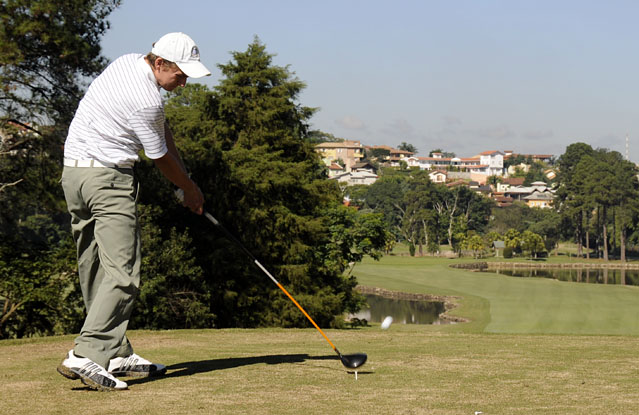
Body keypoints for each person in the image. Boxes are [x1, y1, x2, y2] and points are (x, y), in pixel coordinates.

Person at [57, 32, 208, 391]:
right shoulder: (146, 101)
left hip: (74, 176)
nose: (184, 82)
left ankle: (116, 351)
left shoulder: (125, 62)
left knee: (95, 267)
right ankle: (87, 354)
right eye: (181, 74)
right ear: (159, 63)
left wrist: (186, 182)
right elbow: (159, 158)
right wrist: (188, 189)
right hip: (107, 180)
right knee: (124, 272)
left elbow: (163, 131)